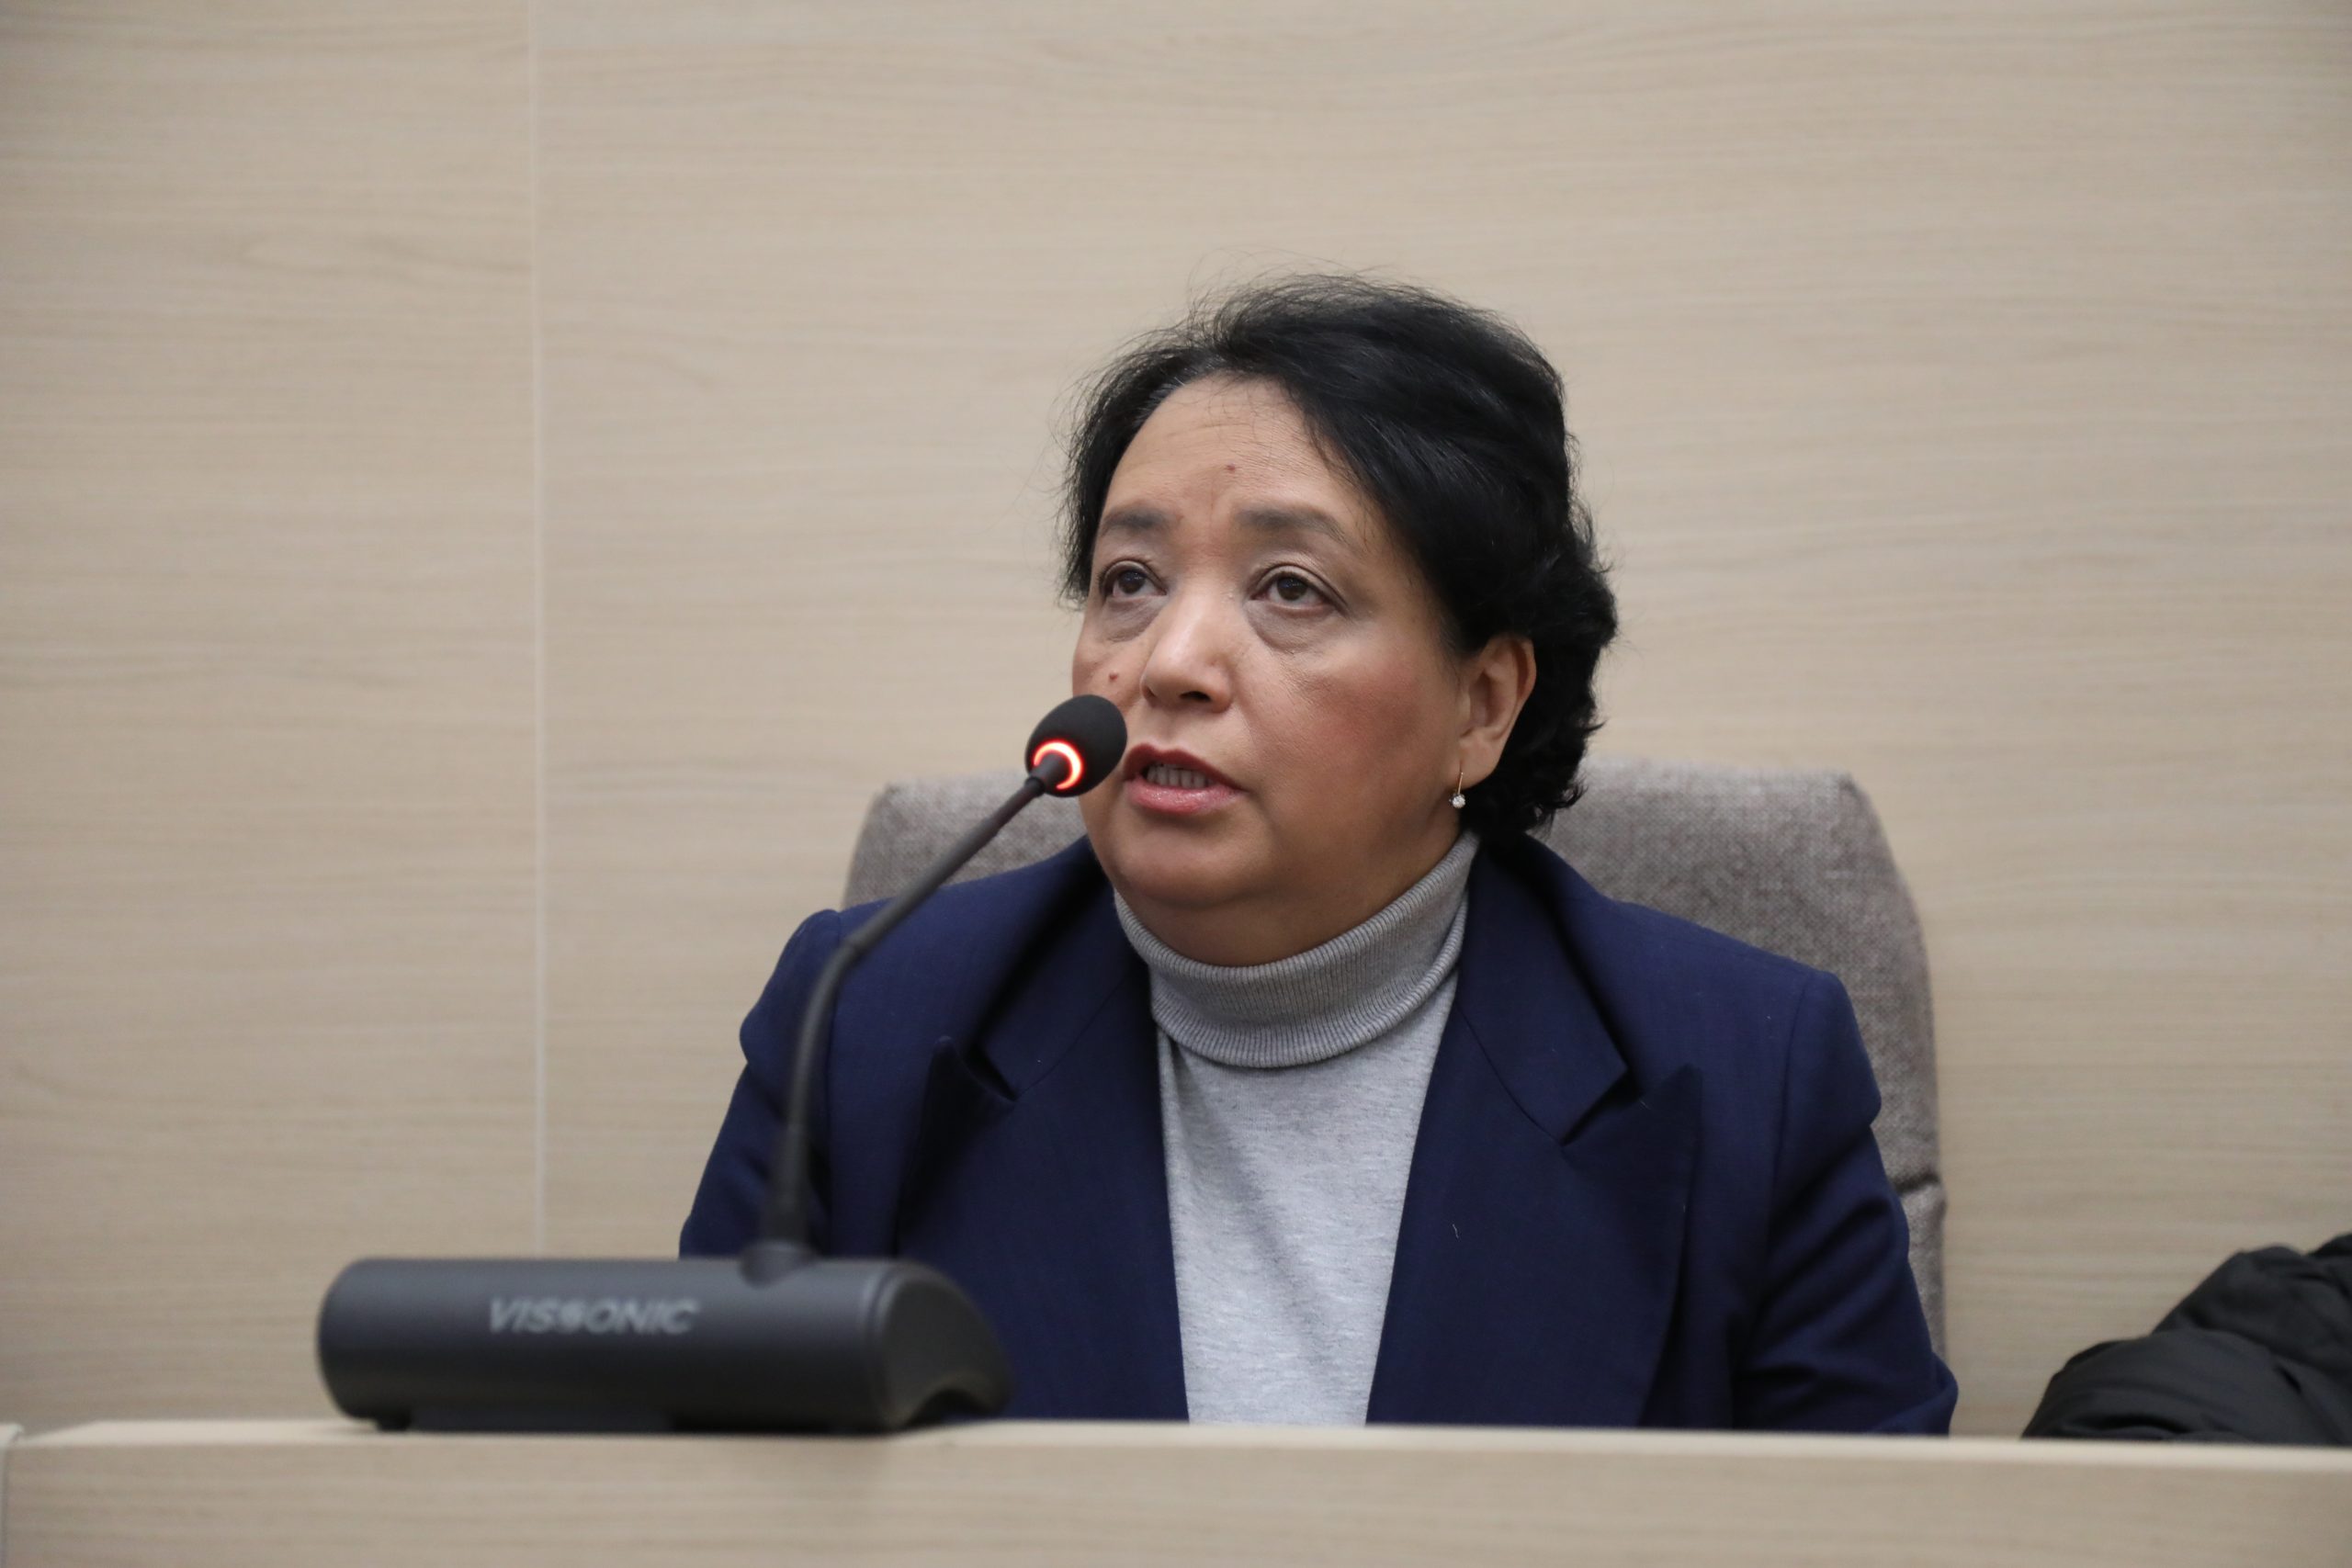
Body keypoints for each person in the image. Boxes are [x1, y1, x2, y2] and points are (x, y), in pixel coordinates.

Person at [683, 275, 1956, 1432]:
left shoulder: (1746, 1079)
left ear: (1482, 706)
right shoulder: (862, 1023)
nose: (1170, 663)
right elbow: (702, 1505)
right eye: (1130, 580)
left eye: (1291, 588)